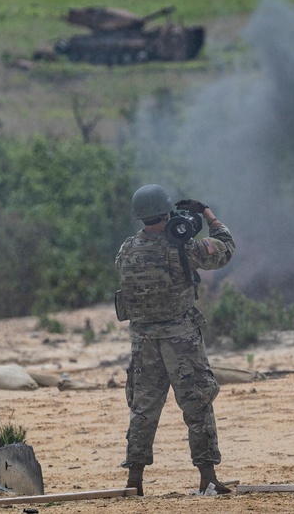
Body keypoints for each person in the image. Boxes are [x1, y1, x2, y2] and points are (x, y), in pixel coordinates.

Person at [115, 184, 236, 496]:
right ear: (166, 211)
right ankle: (207, 478)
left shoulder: (127, 250)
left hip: (143, 341)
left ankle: (134, 481)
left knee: (143, 409)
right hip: (181, 339)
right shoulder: (184, 247)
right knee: (197, 405)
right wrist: (207, 214)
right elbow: (225, 248)